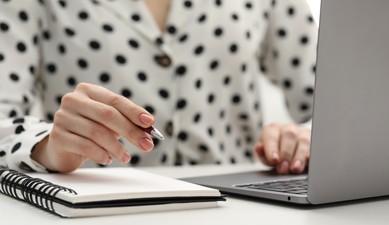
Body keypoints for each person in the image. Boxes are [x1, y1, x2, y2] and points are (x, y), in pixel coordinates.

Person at [0, 0, 317, 174]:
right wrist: (49, 147)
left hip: (246, 217)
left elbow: (340, 102)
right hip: (96, 221)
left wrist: (308, 137)